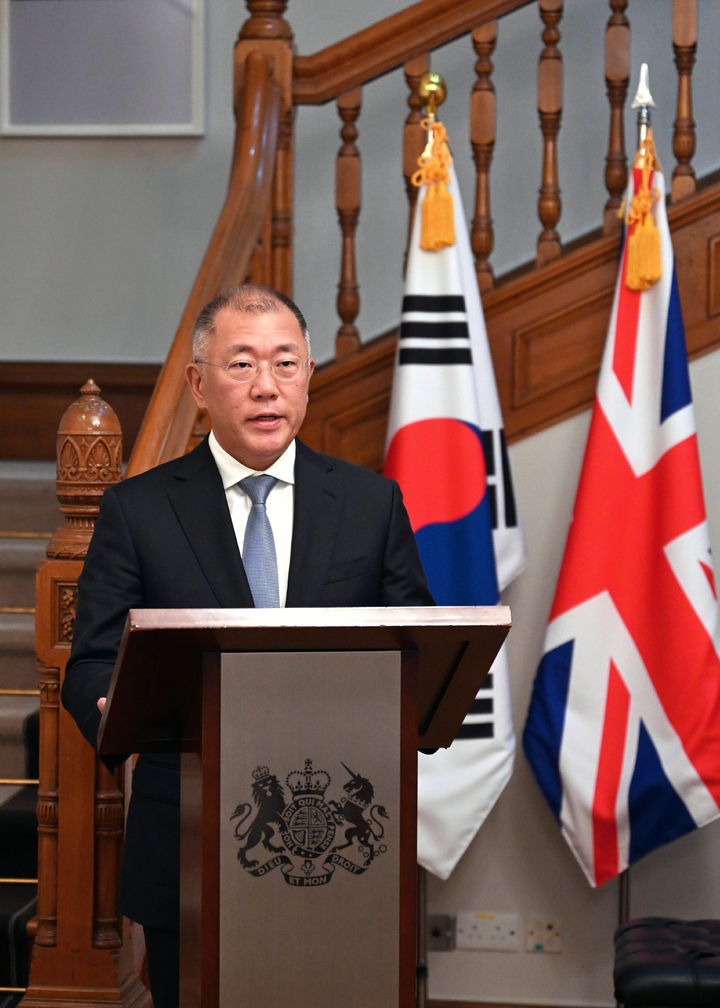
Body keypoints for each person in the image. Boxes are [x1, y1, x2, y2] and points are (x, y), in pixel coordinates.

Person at [61, 284, 433, 1008]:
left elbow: (417, 648)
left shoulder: (370, 503)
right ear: (198, 384)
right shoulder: (138, 510)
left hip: (345, 845)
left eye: (285, 363)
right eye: (241, 364)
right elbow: (91, 664)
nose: (267, 386)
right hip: (187, 841)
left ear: (309, 376)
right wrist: (113, 706)